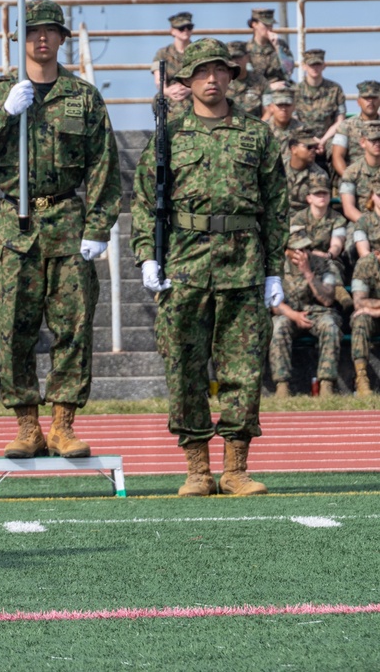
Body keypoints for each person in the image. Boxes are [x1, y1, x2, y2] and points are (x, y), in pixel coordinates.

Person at [0, 0, 120, 461]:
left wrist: (97, 228)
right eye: (32, 31)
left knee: (73, 327)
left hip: (68, 221)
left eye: (50, 31)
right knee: (13, 327)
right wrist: (5, 115)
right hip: (16, 221)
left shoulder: (83, 96)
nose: (41, 39)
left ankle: (64, 424)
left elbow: (105, 169)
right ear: (19, 39)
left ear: (63, 39)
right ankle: (28, 426)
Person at [131, 38, 287, 497]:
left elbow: (276, 208)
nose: (212, 79)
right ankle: (197, 468)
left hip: (243, 262)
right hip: (186, 263)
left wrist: (274, 270)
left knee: (242, 370)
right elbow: (145, 202)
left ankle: (236, 468)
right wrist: (147, 255)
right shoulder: (168, 136)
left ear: (231, 76)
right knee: (185, 366)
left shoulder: (256, 134)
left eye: (220, 71)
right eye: (202, 72)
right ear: (187, 82)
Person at [269, 174, 347, 400]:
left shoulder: (322, 264)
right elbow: (275, 304)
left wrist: (308, 273)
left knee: (331, 325)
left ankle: (326, 384)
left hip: (318, 311)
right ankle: (282, 386)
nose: (301, 253)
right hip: (290, 312)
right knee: (278, 327)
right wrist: (293, 315)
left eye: (305, 248)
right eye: (297, 249)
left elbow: (327, 299)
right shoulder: (278, 265)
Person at [293, 49, 346, 157]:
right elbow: (294, 120)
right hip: (303, 138)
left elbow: (340, 121)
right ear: (304, 66)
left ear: (324, 66)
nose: (315, 68)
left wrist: (323, 141)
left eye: (318, 64)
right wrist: (311, 139)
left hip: (328, 138)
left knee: (338, 148)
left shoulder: (335, 89)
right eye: (311, 65)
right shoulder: (295, 91)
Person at [350, 239, 380, 396]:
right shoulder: (365, 264)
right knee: (360, 319)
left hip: (375, 310)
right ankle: (361, 379)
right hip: (372, 317)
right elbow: (359, 302)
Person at [332, 81, 380, 177]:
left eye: (374, 98)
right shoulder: (346, 126)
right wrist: (350, 179)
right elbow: (337, 156)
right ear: (358, 102)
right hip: (355, 178)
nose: (370, 101)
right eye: (366, 98)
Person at [337, 121, 380, 226]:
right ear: (363, 142)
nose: (378, 143)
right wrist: (370, 226)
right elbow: (349, 209)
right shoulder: (351, 172)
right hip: (361, 223)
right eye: (373, 140)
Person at [151, 12, 195, 114]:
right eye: (181, 28)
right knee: (159, 100)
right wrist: (169, 92)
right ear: (172, 31)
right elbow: (159, 81)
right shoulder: (163, 53)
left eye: (189, 27)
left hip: (194, 93)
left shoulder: (199, 51)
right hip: (170, 94)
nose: (186, 31)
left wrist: (189, 89)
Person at [283, 132, 332, 219]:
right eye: (308, 147)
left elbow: (318, 206)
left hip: (302, 220)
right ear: (294, 149)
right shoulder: (276, 167)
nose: (313, 150)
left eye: (315, 147)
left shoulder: (319, 174)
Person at [247, 9, 293, 83]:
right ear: (254, 24)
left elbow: (288, 70)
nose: (269, 28)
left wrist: (278, 48)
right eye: (265, 25)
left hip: (279, 88)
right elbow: (248, 77)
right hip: (257, 89)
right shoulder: (247, 48)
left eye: (271, 25)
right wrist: (269, 87)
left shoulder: (281, 44)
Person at [226, 41, 270, 118]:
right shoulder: (222, 82)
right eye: (232, 58)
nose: (236, 61)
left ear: (247, 57)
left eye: (239, 57)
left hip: (255, 126)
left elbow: (268, 110)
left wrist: (260, 127)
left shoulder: (260, 81)